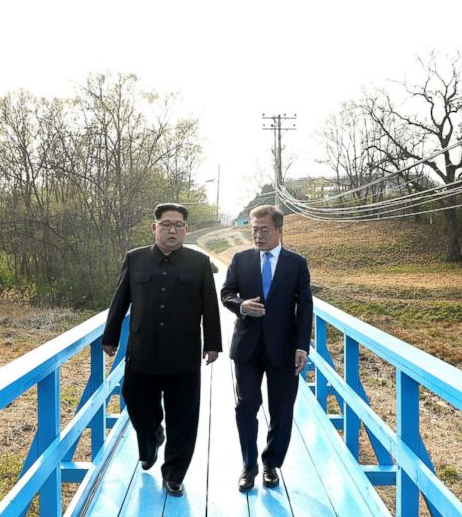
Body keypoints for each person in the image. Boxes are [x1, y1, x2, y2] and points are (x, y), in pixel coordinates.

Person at [102, 203, 222, 497]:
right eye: (166, 224)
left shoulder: (199, 263)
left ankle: (174, 474)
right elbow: (120, 301)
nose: (172, 230)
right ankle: (152, 436)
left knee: (184, 417)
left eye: (178, 225)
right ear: (154, 227)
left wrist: (214, 344)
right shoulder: (136, 259)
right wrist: (110, 336)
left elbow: (210, 306)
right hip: (142, 351)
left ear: (186, 229)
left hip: (184, 354)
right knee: (135, 399)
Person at [221, 205, 313, 492]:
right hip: (247, 348)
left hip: (284, 349)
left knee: (282, 410)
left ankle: (271, 464)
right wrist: (241, 306)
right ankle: (248, 465)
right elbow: (226, 294)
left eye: (263, 230)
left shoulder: (297, 263)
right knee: (246, 406)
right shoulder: (241, 259)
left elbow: (305, 307)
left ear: (278, 230)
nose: (258, 235)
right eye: (254, 230)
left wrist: (302, 346)